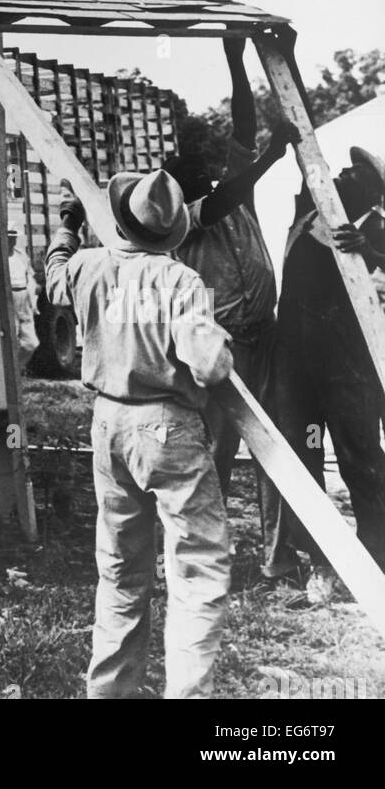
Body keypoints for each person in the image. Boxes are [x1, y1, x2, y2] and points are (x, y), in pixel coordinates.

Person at [46, 169, 233, 699]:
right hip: (168, 429)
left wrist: (68, 223)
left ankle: (109, 693)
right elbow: (209, 367)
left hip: (108, 425)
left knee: (122, 574)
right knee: (197, 569)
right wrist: (220, 337)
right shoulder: (180, 281)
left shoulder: (89, 267)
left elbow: (55, 272)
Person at [163, 36, 300, 583]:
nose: (209, 175)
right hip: (218, 349)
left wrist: (235, 59)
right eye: (195, 174)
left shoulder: (228, 191)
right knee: (215, 456)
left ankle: (278, 558)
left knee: (278, 449)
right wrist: (272, 154)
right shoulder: (187, 217)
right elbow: (229, 189)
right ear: (180, 189)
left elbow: (242, 127)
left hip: (262, 339)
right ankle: (200, 559)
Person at [271, 145, 385, 603]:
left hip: (348, 371)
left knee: (361, 459)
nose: (341, 174)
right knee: (304, 457)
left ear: (371, 195)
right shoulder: (307, 211)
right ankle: (321, 562)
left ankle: (375, 555)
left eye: (355, 175)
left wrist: (373, 253)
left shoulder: (374, 230)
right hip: (298, 370)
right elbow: (306, 156)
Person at [7, 227, 39, 369]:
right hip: (8, 298)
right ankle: (10, 373)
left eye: (13, 238)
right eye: (9, 238)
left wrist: (34, 301)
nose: (11, 241)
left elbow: (30, 278)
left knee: (31, 342)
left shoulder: (21, 256)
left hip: (24, 298)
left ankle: (18, 368)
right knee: (11, 338)